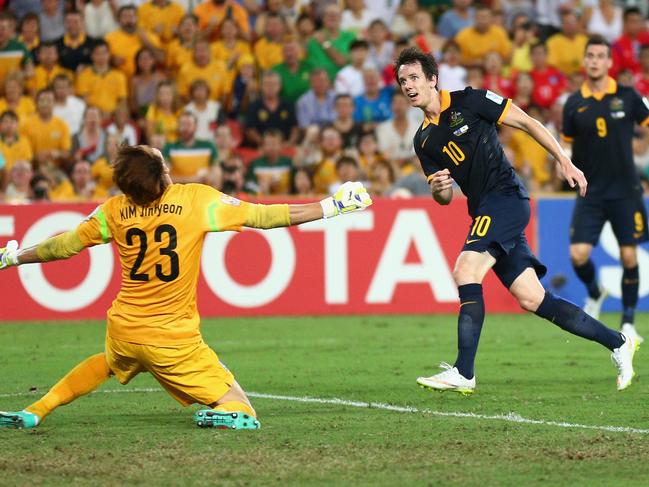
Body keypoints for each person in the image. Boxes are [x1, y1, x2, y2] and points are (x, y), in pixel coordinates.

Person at [0, 144, 371, 429]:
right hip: (172, 339)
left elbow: (62, 246)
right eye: (161, 159)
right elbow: (265, 216)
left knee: (109, 362)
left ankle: (36, 410)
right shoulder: (196, 201)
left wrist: (15, 257)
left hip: (125, 328)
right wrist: (332, 206)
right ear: (162, 177)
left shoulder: (113, 211)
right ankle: (225, 416)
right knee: (243, 407)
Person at [394, 47, 637, 394]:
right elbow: (444, 198)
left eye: (415, 77)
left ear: (433, 79)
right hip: (485, 209)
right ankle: (618, 342)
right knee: (532, 298)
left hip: (505, 198)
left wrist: (563, 161)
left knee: (466, 270)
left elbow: (527, 122)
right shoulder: (423, 139)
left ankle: (464, 371)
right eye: (403, 81)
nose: (409, 85)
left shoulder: (471, 100)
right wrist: (438, 188)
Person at [561, 36, 649, 343]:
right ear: (585, 61)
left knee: (629, 257)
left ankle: (627, 321)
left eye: (601, 56)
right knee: (578, 255)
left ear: (610, 62)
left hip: (626, 191)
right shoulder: (574, 104)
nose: (595, 61)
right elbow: (568, 147)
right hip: (591, 192)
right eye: (591, 56)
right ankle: (595, 292)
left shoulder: (627, 96)